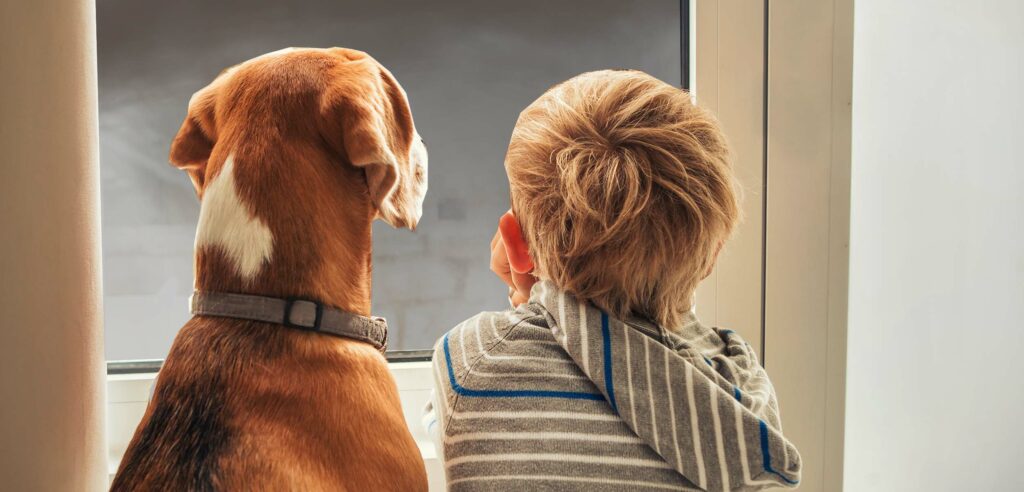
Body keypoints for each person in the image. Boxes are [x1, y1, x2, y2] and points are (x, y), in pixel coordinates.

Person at [425, 70, 801, 491]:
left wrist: (537, 294)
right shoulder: (744, 397)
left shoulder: (472, 362)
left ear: (515, 245)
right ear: (712, 254)